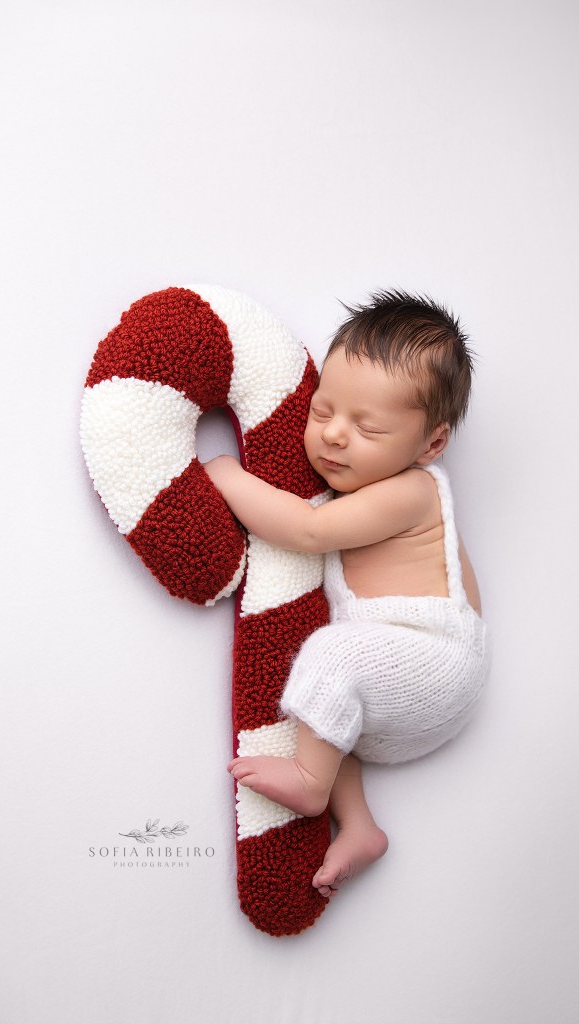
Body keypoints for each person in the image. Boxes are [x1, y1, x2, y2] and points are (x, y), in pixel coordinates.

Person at [205, 290, 490, 897]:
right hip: (395, 677)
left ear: (431, 444)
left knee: (332, 657)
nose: (333, 435)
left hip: (436, 657)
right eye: (322, 410)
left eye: (367, 427)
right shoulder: (365, 485)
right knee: (330, 706)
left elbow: (308, 531)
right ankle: (359, 826)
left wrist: (225, 475)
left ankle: (311, 784)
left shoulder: (411, 490)